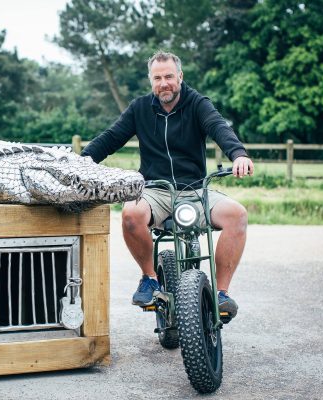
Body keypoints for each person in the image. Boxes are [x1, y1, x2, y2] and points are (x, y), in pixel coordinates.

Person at [81, 50, 254, 319]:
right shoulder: (140, 108)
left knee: (238, 215)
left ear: (180, 77)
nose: (164, 83)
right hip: (155, 191)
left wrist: (238, 154)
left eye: (169, 77)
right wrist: (81, 162)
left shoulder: (197, 103)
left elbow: (218, 126)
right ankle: (150, 278)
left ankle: (221, 294)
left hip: (196, 189)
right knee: (130, 214)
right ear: (151, 81)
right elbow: (111, 138)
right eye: (158, 78)